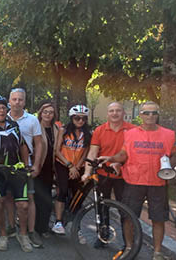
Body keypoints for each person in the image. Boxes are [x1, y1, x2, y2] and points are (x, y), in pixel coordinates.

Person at [102, 101, 176, 260]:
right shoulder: (130, 134)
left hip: (158, 182)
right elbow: (124, 153)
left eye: (154, 113)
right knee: (129, 217)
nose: (150, 116)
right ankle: (129, 248)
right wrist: (111, 158)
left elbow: (174, 155)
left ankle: (157, 253)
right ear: (141, 115)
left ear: (158, 115)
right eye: (146, 113)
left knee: (158, 219)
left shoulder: (168, 134)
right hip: (134, 181)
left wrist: (169, 167)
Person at [0, 96, 33, 252]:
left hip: (16, 170)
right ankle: (3, 235)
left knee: (23, 205)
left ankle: (23, 235)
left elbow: (22, 145)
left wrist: (26, 165)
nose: (1, 111)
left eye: (3, 108)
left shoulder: (14, 125)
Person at [81, 102, 135, 247]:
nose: (114, 113)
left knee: (125, 209)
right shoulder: (100, 130)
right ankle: (102, 237)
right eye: (111, 111)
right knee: (102, 206)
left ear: (123, 113)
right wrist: (87, 172)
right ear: (107, 113)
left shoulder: (132, 130)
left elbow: (134, 154)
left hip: (124, 176)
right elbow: (93, 152)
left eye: (118, 110)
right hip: (103, 174)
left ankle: (128, 243)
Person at [7, 87, 44, 248]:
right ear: (9, 101)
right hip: (7, 165)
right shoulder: (2, 116)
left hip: (25, 165)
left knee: (29, 199)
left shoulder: (32, 120)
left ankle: (31, 231)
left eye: (20, 99)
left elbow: (39, 143)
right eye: (14, 99)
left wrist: (36, 164)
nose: (17, 102)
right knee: (9, 197)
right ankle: (11, 227)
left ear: (24, 101)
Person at [52, 104, 91, 234]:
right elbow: (57, 151)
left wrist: (77, 167)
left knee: (77, 195)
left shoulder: (88, 134)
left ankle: (76, 226)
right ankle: (58, 222)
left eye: (83, 118)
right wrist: (69, 166)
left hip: (78, 166)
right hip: (63, 164)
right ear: (71, 118)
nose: (80, 121)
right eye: (77, 118)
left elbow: (85, 153)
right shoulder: (63, 130)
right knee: (63, 191)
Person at [33, 102, 60, 238]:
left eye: (51, 112)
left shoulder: (57, 129)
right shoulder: (36, 127)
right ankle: (37, 228)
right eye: (45, 112)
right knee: (38, 199)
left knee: (47, 199)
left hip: (51, 168)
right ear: (41, 113)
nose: (48, 114)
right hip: (38, 167)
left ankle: (43, 226)